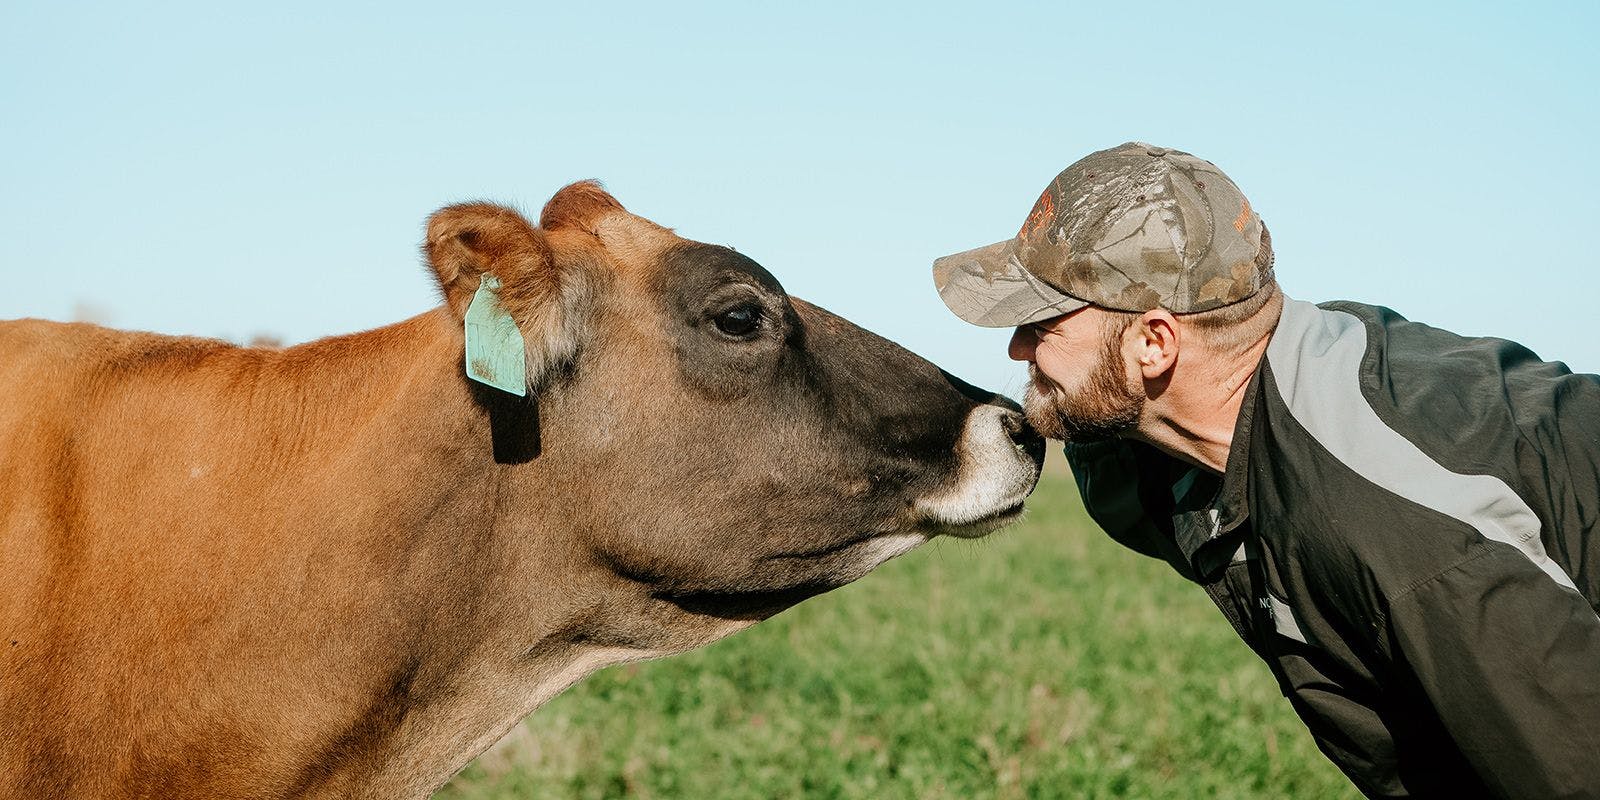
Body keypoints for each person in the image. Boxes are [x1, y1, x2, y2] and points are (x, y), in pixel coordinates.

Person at [932, 141, 1600, 799]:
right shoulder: (1159, 456)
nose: (1017, 346)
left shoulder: (1394, 522)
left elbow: (1571, 764)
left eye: (1042, 322)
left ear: (1155, 344)